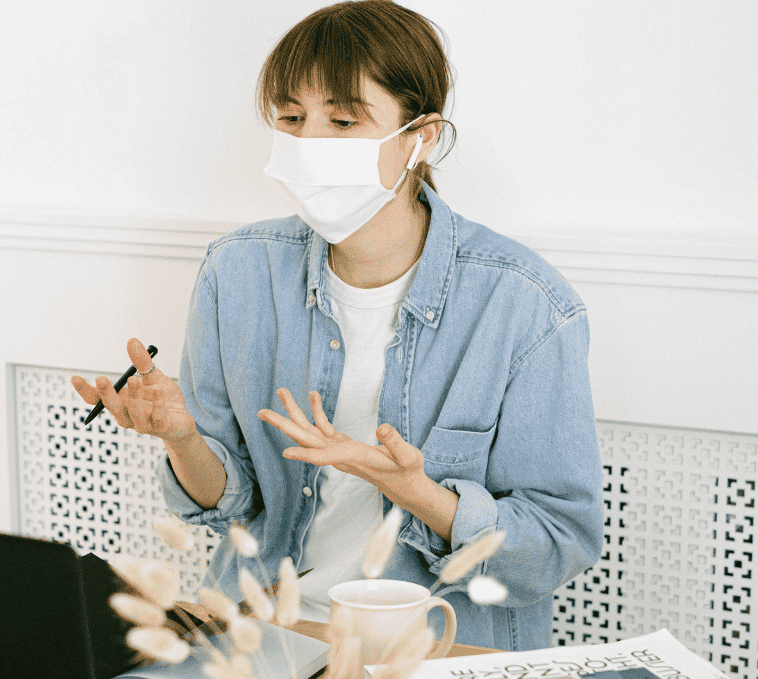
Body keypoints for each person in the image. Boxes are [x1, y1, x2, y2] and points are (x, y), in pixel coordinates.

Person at [72, 0, 602, 652]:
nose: (310, 144)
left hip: (431, 647)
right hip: (264, 635)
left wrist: (415, 492)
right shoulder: (235, 272)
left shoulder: (527, 304)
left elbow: (558, 542)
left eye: (343, 120)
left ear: (421, 136)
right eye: (292, 119)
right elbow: (231, 504)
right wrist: (183, 439)